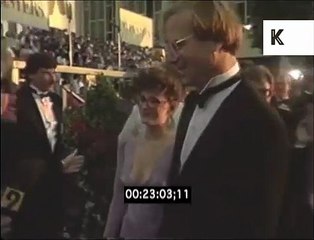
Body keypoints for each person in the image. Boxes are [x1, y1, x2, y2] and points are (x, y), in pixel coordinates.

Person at [160, 1, 289, 238]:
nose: (170, 58)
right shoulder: (190, 104)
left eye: (178, 45)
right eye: (167, 48)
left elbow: (260, 224)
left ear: (217, 39)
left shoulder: (262, 122)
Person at [104, 64, 184, 239]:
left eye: (154, 100)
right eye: (142, 99)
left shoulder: (180, 146)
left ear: (171, 105)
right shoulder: (129, 142)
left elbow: (187, 197)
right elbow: (118, 197)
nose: (146, 106)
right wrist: (109, 235)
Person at [11, 53, 84, 239]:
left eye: (54, 72)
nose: (53, 77)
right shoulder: (17, 100)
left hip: (54, 179)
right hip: (27, 178)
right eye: (46, 72)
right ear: (31, 74)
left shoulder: (57, 100)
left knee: (51, 226)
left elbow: (56, 138)